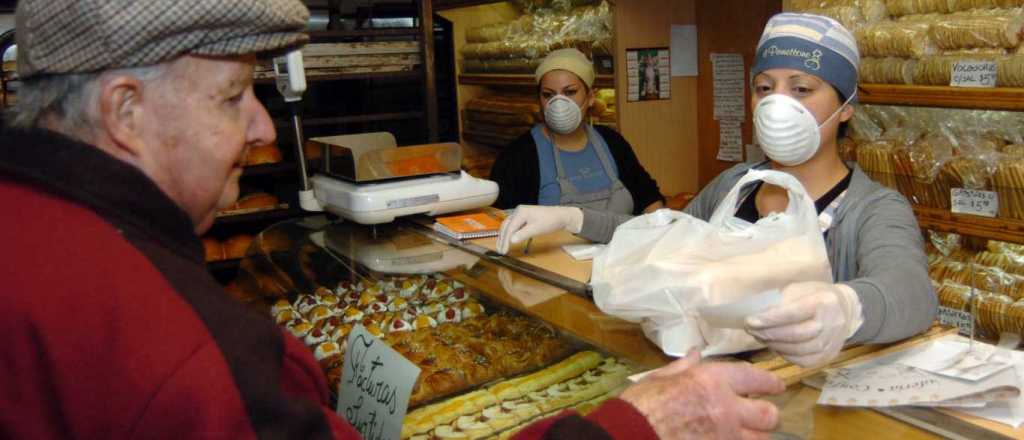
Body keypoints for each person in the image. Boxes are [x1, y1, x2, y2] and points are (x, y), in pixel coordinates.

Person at [0, 1, 786, 439]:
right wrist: (626, 427)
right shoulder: (178, 349)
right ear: (124, 111)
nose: (265, 130)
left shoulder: (29, 231)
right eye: (232, 95)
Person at [497, 13, 937, 368]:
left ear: (846, 108)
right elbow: (658, 235)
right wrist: (573, 219)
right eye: (764, 88)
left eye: (801, 89)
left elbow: (912, 292)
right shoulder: (736, 186)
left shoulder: (872, 208)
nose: (776, 103)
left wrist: (846, 308)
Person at [489, 48, 664, 216]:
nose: (559, 103)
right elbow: (502, 222)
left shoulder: (612, 142)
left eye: (570, 92)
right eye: (548, 95)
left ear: (590, 97)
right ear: (539, 100)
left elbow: (648, 198)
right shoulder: (518, 157)